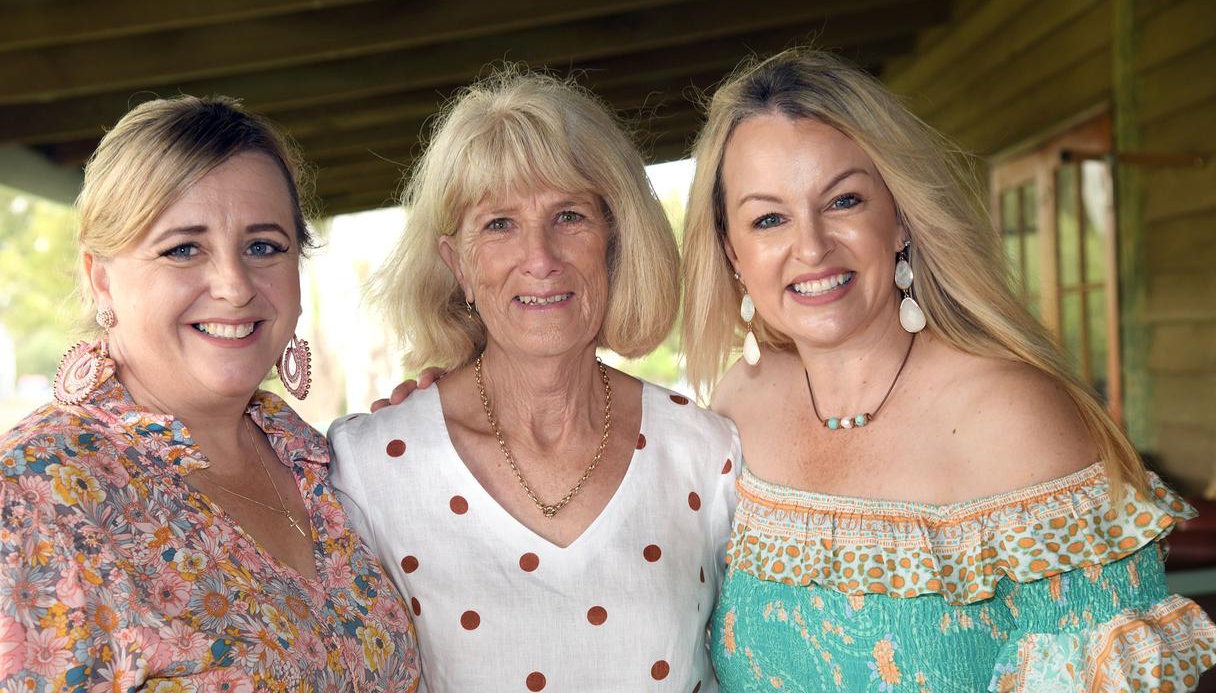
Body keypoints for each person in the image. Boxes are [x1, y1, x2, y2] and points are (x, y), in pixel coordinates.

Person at [680, 48, 1216, 691]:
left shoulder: (1012, 416)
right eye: (769, 218)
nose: (812, 247)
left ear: (900, 218)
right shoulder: (740, 401)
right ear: (732, 250)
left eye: (844, 200)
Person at [0, 96, 419, 691]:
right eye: (183, 249)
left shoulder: (328, 468)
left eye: (263, 246)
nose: (234, 286)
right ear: (100, 277)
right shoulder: (24, 502)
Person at [329, 70, 740, 691]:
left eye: (569, 216)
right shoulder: (369, 469)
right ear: (458, 266)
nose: (541, 258)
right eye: (498, 224)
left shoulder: (706, 455)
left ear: (614, 243)